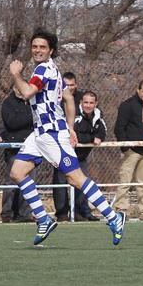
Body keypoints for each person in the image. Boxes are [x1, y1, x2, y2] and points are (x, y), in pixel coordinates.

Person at [9, 29, 126, 246]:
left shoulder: (43, 69)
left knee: (75, 178)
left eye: (42, 47)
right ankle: (44, 218)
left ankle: (113, 216)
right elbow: (69, 99)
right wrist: (71, 127)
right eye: (35, 46)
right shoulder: (51, 69)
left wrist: (16, 74)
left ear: (51, 50)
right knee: (17, 172)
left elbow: (26, 93)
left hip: (52, 133)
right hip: (41, 133)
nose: (37, 50)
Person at [113, 79, 143, 220]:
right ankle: (121, 210)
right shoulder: (127, 105)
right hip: (132, 151)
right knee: (125, 181)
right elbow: (119, 127)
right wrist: (126, 147)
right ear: (137, 90)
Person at [52, 71, 86, 221]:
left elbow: (91, 123)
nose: (69, 88)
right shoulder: (53, 98)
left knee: (78, 180)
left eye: (72, 85)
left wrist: (73, 132)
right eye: (67, 85)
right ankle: (61, 213)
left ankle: (80, 211)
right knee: (60, 180)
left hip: (78, 148)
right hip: (58, 145)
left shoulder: (83, 99)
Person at [69, 90, 106, 221]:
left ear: (96, 104)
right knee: (62, 185)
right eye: (85, 102)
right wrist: (92, 137)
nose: (88, 105)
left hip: (81, 157)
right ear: (81, 103)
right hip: (66, 156)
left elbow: (102, 131)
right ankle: (62, 214)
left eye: (91, 103)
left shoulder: (97, 115)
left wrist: (98, 136)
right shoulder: (75, 114)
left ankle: (84, 212)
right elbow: (76, 135)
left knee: (82, 184)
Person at [0, 85, 35, 223]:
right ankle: (7, 213)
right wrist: (30, 117)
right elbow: (12, 123)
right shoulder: (8, 103)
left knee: (29, 182)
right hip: (14, 149)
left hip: (31, 148)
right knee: (11, 182)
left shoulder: (32, 102)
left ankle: (24, 213)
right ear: (15, 88)